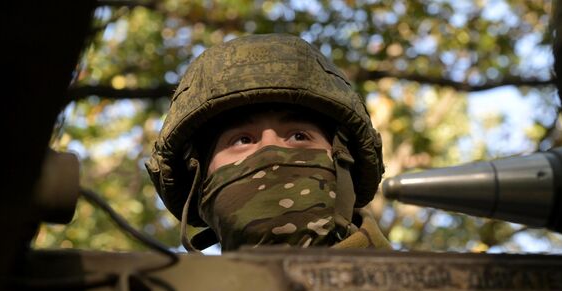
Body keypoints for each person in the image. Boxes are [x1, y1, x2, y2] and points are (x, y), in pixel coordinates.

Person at [146, 33, 391, 252]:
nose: (270, 152)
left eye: (298, 136)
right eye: (243, 140)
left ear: (344, 160)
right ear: (199, 183)